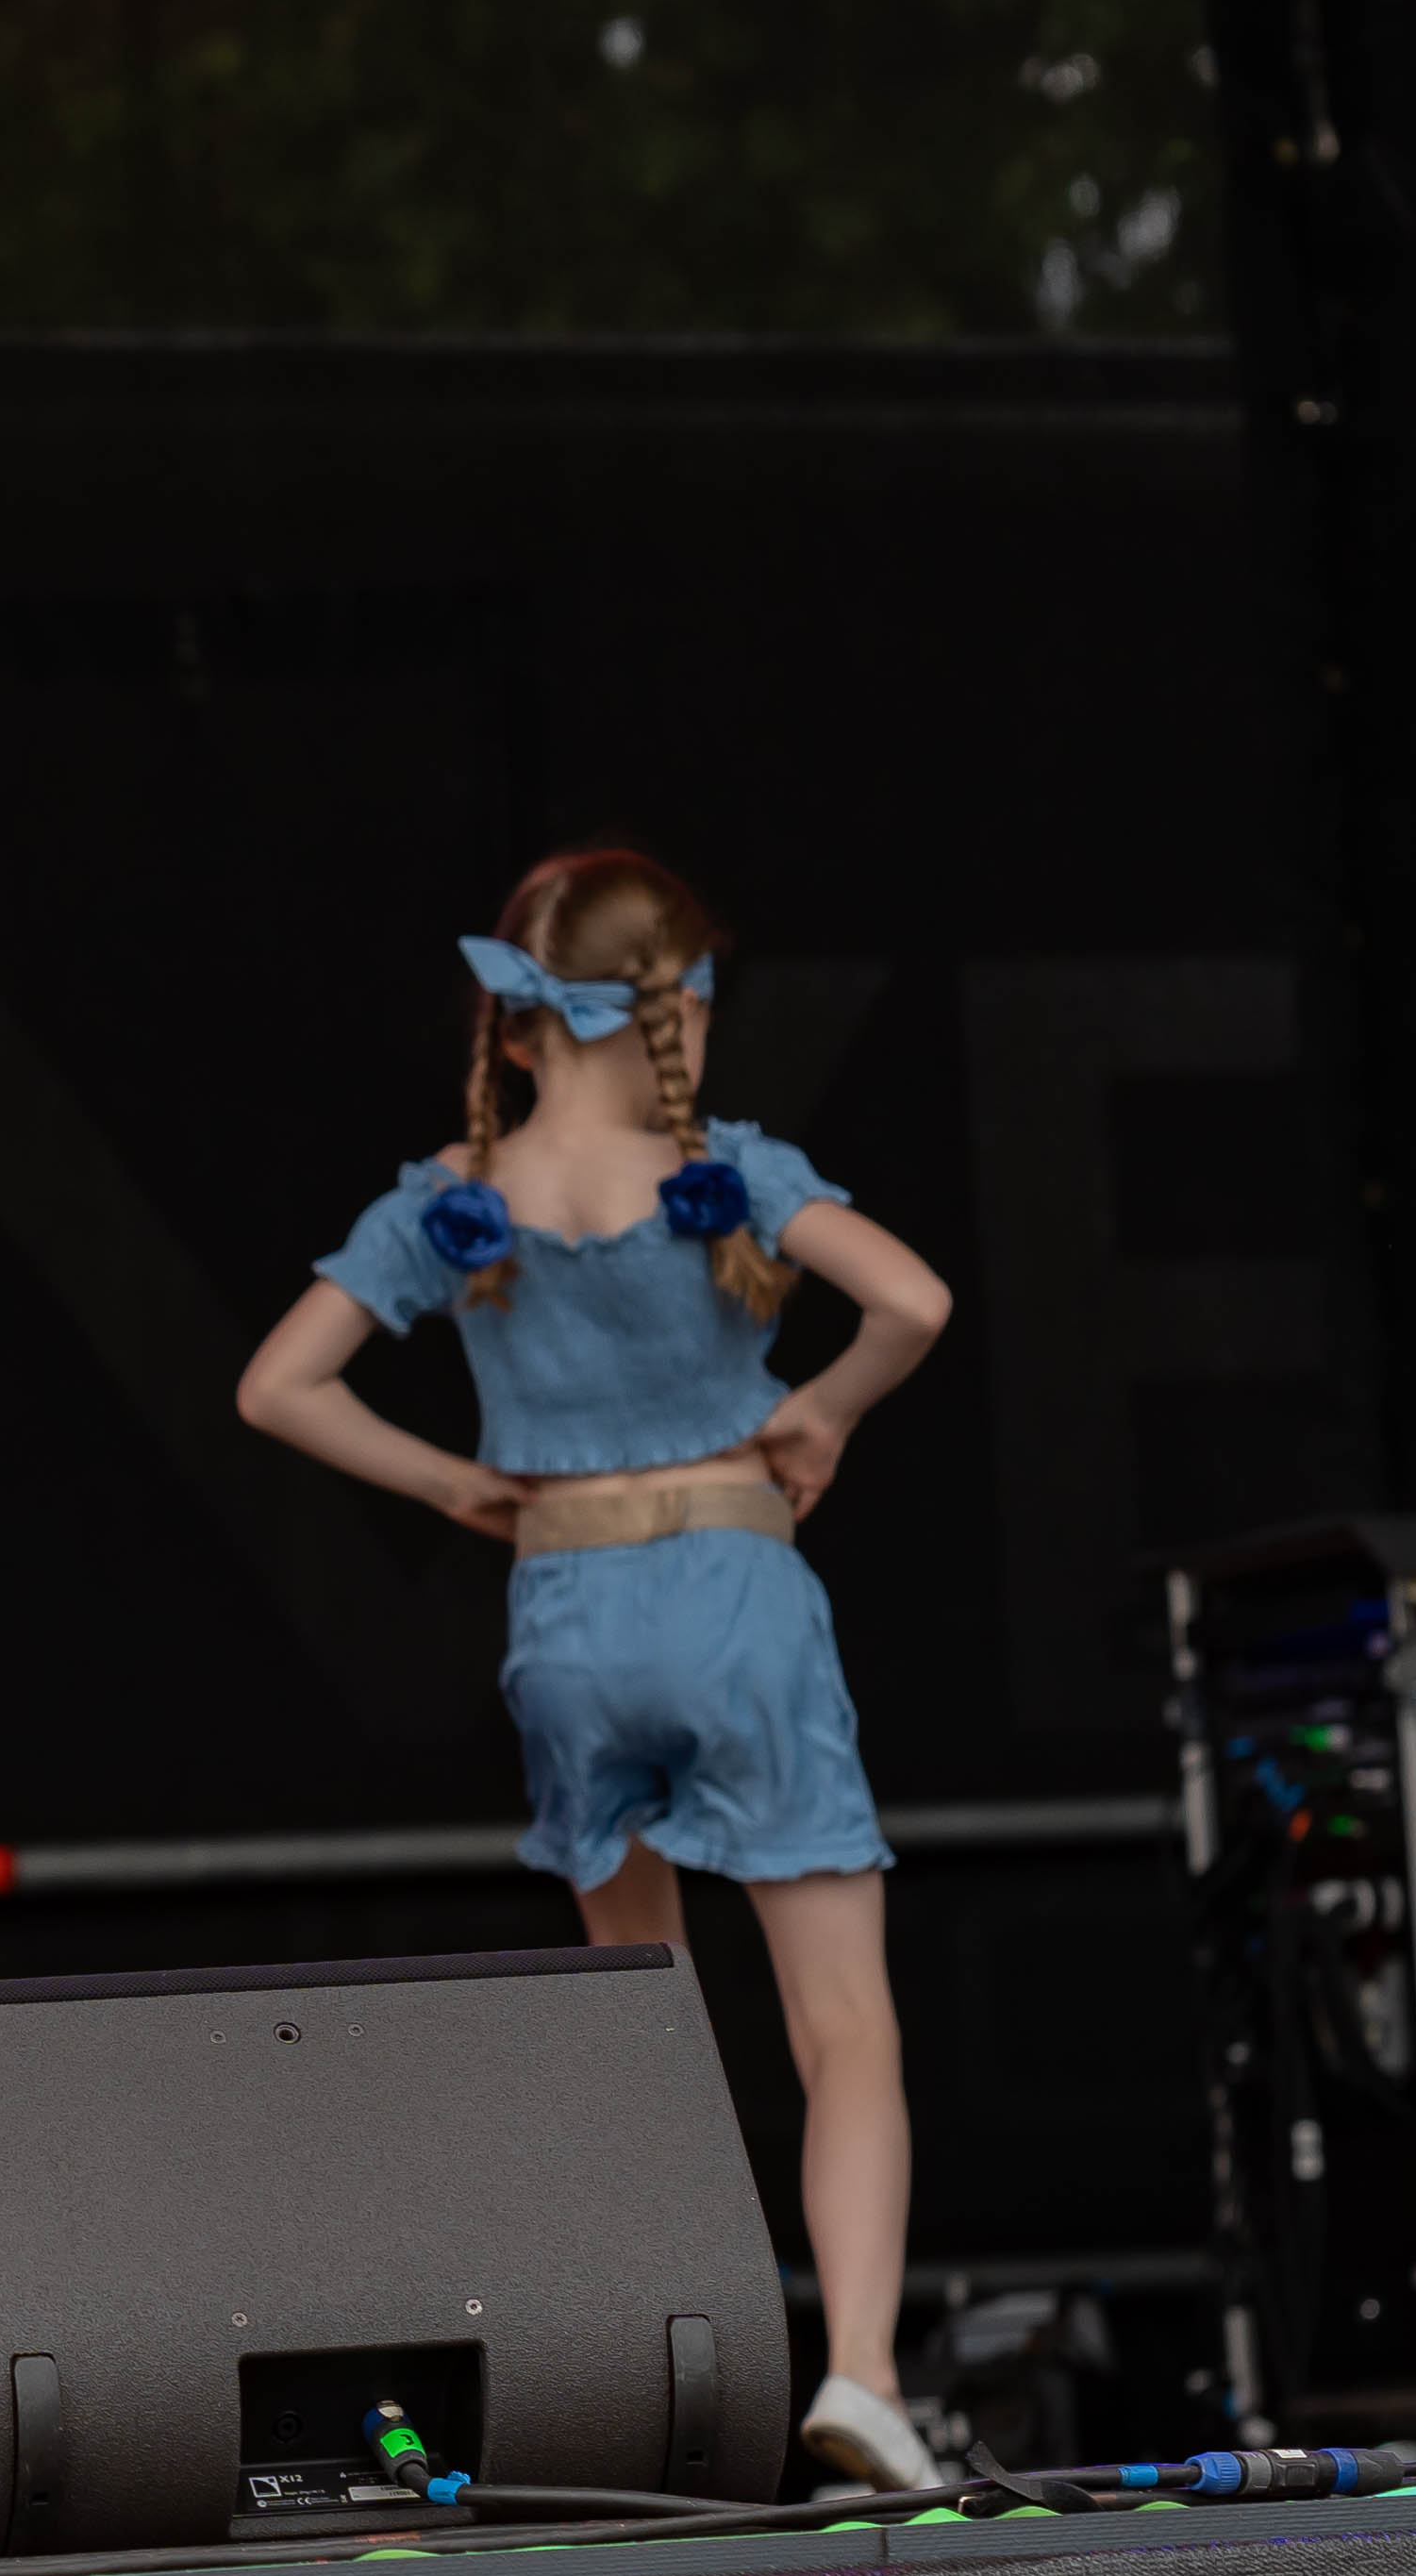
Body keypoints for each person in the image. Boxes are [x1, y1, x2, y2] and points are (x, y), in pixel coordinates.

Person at [228, 849, 958, 2490]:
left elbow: (276, 1387)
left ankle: (670, 2379)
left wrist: (452, 1484)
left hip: (567, 1617)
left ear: (509, 1022)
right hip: (732, 1599)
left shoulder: (455, 1200)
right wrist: (822, 1412)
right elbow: (912, 1300)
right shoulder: (729, 1172)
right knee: (842, 2021)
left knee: (643, 2018)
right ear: (681, 1003)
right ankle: (858, 2368)